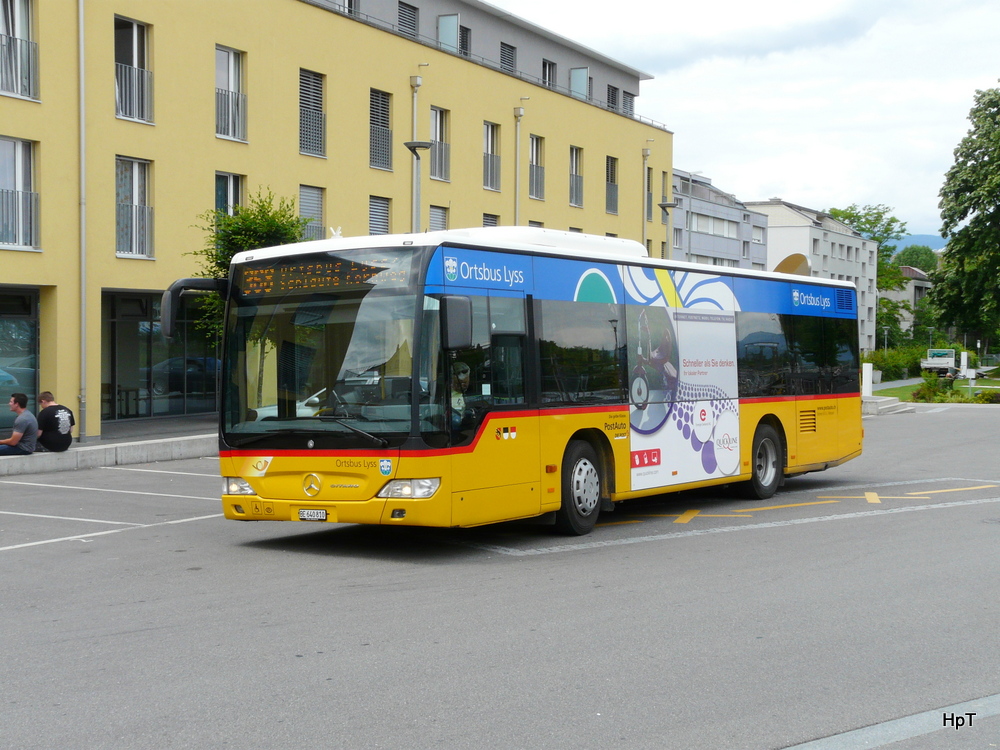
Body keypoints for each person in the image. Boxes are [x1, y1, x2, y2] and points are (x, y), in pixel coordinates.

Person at [450, 361, 471, 430]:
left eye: (465, 383)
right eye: (458, 383)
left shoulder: (472, 393)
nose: (462, 386)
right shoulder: (446, 395)